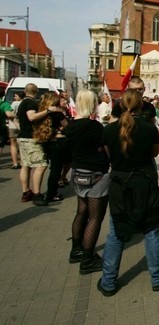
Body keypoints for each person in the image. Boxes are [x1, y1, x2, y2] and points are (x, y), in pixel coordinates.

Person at [98, 89, 159, 297]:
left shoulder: (108, 130)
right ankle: (158, 276)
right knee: (150, 229)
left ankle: (108, 281)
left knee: (116, 232)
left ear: (121, 104)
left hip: (120, 183)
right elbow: (154, 153)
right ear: (141, 105)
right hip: (143, 182)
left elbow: (109, 156)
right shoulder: (149, 129)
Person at [63, 90, 110, 274]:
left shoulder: (71, 126)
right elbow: (106, 150)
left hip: (77, 171)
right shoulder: (95, 127)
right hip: (96, 173)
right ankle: (88, 258)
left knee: (81, 211)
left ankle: (76, 249)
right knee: (95, 217)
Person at [17, 83, 56, 205]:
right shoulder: (31, 103)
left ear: (25, 91)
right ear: (36, 91)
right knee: (41, 165)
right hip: (30, 138)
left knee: (26, 165)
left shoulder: (22, 103)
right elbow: (32, 117)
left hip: (22, 137)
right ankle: (37, 194)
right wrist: (48, 111)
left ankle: (26, 192)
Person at [34, 92, 69, 203]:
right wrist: (60, 130)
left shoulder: (40, 112)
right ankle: (51, 194)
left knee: (46, 168)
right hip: (56, 142)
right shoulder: (57, 113)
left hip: (43, 141)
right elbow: (67, 127)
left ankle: (39, 192)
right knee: (55, 169)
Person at [7, 91, 23, 169]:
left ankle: (15, 163)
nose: (14, 97)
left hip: (13, 125)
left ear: (20, 96)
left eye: (16, 96)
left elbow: (10, 113)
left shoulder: (14, 103)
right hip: (22, 126)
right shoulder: (24, 103)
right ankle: (22, 162)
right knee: (21, 145)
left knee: (13, 145)